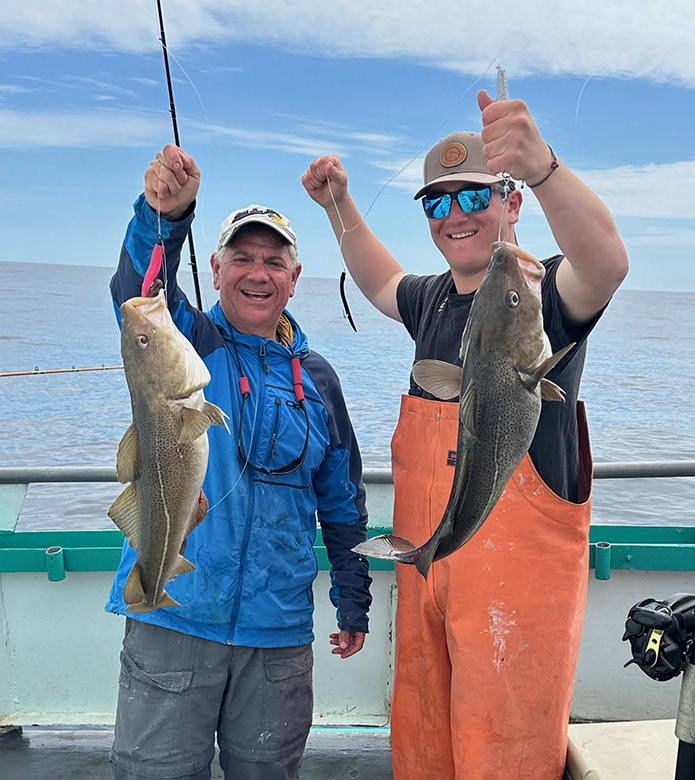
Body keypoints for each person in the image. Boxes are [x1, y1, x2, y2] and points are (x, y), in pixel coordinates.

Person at [302, 90, 629, 780]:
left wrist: (544, 170)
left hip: (516, 575)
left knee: (502, 742)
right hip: (428, 554)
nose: (454, 216)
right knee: (425, 731)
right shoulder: (430, 299)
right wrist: (338, 205)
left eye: (472, 197)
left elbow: (605, 263)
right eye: (436, 203)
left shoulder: (540, 293)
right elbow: (379, 278)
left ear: (510, 203)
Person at [106, 144, 372, 780]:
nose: (259, 273)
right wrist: (164, 213)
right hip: (176, 613)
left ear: (294, 277)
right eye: (243, 259)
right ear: (217, 270)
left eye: (274, 261)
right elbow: (137, 291)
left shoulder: (320, 380)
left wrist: (353, 598)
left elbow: (341, 499)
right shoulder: (188, 342)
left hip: (277, 630)